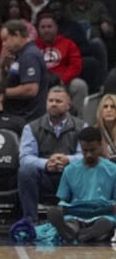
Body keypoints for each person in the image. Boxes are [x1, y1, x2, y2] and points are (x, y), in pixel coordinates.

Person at [18, 86, 85, 224]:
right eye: (51, 100)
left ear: (68, 105)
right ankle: (30, 221)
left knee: (84, 169)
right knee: (25, 171)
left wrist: (68, 160)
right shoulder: (31, 127)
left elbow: (85, 155)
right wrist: (47, 163)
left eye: (59, 101)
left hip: (70, 175)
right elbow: (25, 158)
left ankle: (77, 220)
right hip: (44, 176)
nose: (54, 104)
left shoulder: (82, 127)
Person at [46, 127, 116, 243]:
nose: (88, 155)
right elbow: (63, 200)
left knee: (105, 223)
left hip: (102, 213)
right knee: (71, 222)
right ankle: (76, 232)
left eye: (92, 150)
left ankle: (82, 234)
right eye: (85, 150)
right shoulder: (69, 170)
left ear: (100, 145)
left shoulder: (113, 170)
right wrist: (61, 209)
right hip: (75, 214)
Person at [35, 13, 88, 117]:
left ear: (56, 28)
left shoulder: (68, 43)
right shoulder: (33, 45)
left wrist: (62, 80)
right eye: (43, 27)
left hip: (63, 81)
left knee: (79, 85)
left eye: (49, 27)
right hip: (40, 82)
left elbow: (75, 66)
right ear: (38, 29)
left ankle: (76, 121)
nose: (46, 30)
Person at [0, 19, 49, 122]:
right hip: (18, 115)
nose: (3, 44)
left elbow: (30, 89)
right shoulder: (20, 55)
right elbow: (6, 83)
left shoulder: (29, 56)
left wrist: (1, 93)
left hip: (27, 117)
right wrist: (2, 66)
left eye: (5, 39)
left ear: (17, 35)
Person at [94, 94, 116, 159]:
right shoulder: (95, 132)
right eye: (105, 107)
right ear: (101, 110)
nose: (109, 110)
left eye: (113, 107)